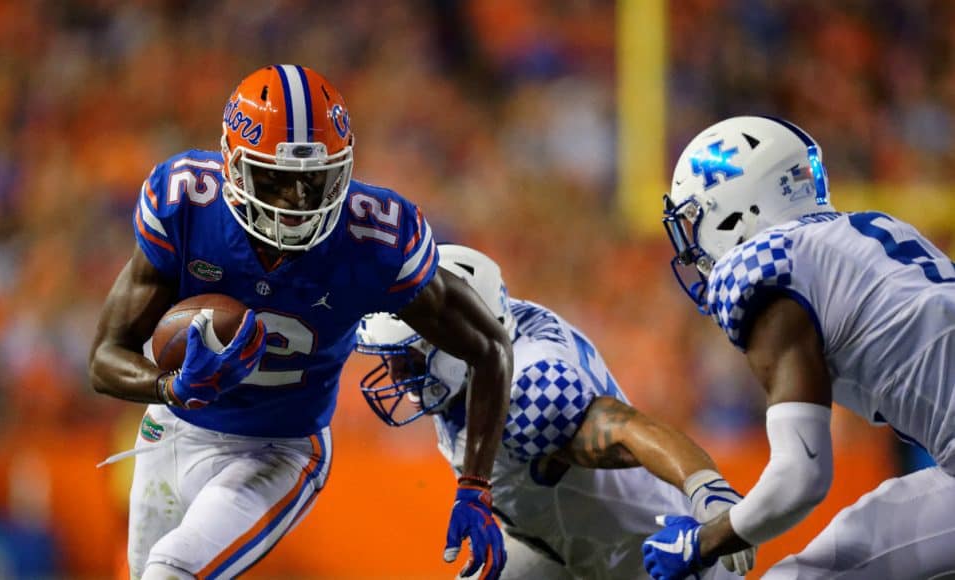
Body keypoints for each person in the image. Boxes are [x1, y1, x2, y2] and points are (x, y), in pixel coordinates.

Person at [87, 65, 512, 580]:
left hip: (280, 448)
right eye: (277, 180)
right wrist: (170, 387)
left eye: (315, 181)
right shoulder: (187, 204)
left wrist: (476, 487)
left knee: (171, 571)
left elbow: (490, 346)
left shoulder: (375, 239)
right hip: (173, 429)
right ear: (232, 165)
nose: (298, 203)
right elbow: (105, 358)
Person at [643, 115, 955, 580]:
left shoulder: (767, 271)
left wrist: (703, 541)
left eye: (695, 218)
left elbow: (800, 477)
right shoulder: (872, 231)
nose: (693, 246)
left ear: (732, 212)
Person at [355, 244, 756, 579]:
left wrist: (705, 487)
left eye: (407, 360)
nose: (396, 376)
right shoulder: (495, 330)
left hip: (652, 558)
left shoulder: (528, 393)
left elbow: (625, 430)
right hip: (567, 541)